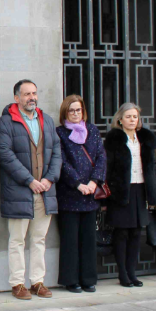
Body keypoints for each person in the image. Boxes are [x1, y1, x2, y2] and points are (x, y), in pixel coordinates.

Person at [0, 79, 62, 300]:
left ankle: (37, 282)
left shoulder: (47, 121)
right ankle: (17, 284)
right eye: (26, 94)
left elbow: (57, 153)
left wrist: (49, 179)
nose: (32, 97)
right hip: (19, 191)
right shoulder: (6, 122)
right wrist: (30, 180)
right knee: (17, 240)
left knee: (39, 239)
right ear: (17, 98)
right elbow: (5, 155)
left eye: (34, 93)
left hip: (45, 191)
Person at [55, 95, 106, 293]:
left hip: (90, 195)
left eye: (78, 110)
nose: (76, 114)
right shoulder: (59, 133)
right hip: (70, 195)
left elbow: (101, 157)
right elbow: (61, 162)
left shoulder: (92, 130)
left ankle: (88, 279)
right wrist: (78, 184)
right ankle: (71, 280)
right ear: (65, 113)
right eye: (71, 110)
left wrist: (93, 182)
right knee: (70, 241)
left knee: (88, 239)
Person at [103, 103, 156, 288]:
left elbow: (150, 167)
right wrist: (106, 195)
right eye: (128, 116)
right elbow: (107, 168)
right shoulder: (114, 140)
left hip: (140, 189)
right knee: (122, 233)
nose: (132, 120)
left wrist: (153, 192)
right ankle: (123, 274)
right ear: (120, 119)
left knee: (136, 232)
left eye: (135, 116)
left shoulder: (144, 139)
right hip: (120, 191)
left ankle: (132, 272)